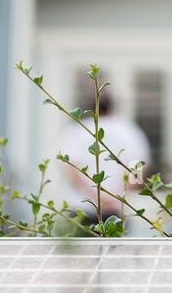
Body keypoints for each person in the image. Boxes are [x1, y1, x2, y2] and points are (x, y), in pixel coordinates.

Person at [59, 88, 151, 231]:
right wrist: (120, 196)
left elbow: (72, 168)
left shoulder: (78, 131)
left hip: (82, 207)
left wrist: (95, 197)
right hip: (118, 209)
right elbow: (137, 167)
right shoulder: (129, 131)